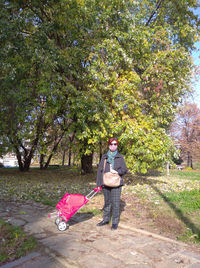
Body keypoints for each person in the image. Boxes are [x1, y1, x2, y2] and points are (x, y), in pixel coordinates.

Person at [96, 138, 127, 230]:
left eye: (115, 144)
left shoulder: (120, 157)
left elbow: (124, 170)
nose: (113, 146)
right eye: (111, 144)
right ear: (109, 145)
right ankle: (105, 220)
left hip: (116, 184)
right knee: (107, 202)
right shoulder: (104, 157)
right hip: (106, 183)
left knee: (116, 204)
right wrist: (99, 183)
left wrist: (117, 171)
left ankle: (114, 223)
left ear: (117, 146)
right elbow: (100, 170)